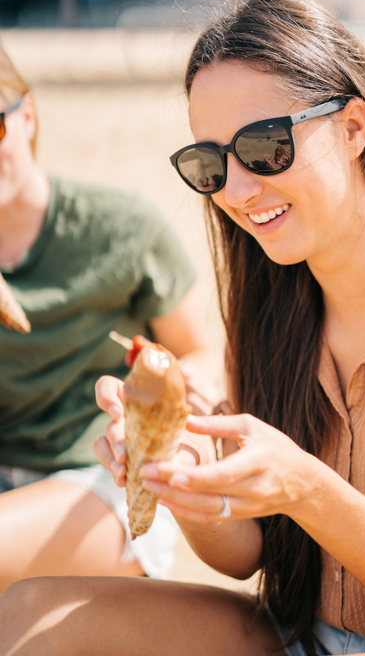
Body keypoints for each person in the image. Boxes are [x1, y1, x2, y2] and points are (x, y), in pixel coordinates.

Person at [1, 0, 365, 656]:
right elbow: (246, 554)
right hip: (299, 635)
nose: (234, 190)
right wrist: (178, 474)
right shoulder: (269, 300)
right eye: (208, 164)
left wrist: (306, 488)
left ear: (353, 127)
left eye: (263, 147)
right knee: (27, 615)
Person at [0, 42, 214, 593]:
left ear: (27, 115)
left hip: (98, 478)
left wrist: (151, 419)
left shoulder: (121, 230)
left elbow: (199, 352)